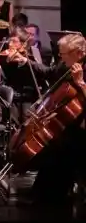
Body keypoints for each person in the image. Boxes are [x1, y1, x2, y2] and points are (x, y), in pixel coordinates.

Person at [8, 33, 86, 206]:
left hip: (82, 125)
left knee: (61, 146)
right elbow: (49, 73)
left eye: (63, 54)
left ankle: (53, 196)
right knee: (54, 143)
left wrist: (80, 83)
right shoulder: (65, 65)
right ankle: (44, 194)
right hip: (69, 123)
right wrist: (25, 62)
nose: (60, 57)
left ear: (79, 53)